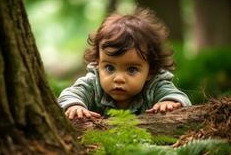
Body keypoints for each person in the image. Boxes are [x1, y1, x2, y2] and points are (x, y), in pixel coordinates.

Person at [58, 7, 191, 120]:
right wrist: (75, 106)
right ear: (98, 64)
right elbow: (69, 95)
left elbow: (180, 98)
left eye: (131, 70)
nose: (119, 78)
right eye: (109, 68)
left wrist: (170, 102)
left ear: (150, 71)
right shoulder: (93, 84)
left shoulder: (154, 86)